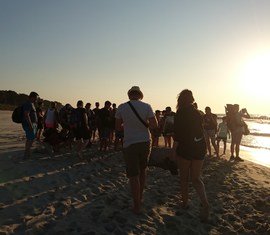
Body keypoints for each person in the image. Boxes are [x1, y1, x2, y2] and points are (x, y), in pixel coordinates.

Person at [115, 86, 158, 214]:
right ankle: (140, 197)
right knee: (143, 170)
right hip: (145, 141)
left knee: (133, 175)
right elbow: (154, 125)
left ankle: (137, 205)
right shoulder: (147, 106)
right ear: (140, 95)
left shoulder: (122, 107)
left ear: (129, 95)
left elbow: (117, 127)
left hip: (129, 143)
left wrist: (128, 126)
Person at [173, 89, 209, 222]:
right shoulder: (198, 113)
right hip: (199, 147)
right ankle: (205, 203)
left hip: (185, 148)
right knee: (196, 178)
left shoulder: (180, 113)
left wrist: (173, 153)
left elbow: (177, 136)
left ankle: (185, 203)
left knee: (184, 178)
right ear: (192, 99)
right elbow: (201, 131)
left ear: (180, 100)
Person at [22, 91, 39, 159]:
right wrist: (30, 125)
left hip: (33, 124)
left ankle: (27, 153)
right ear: (32, 97)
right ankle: (27, 154)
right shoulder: (28, 104)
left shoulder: (31, 103)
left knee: (31, 139)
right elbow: (27, 115)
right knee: (30, 139)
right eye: (36, 98)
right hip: (29, 124)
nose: (36, 99)